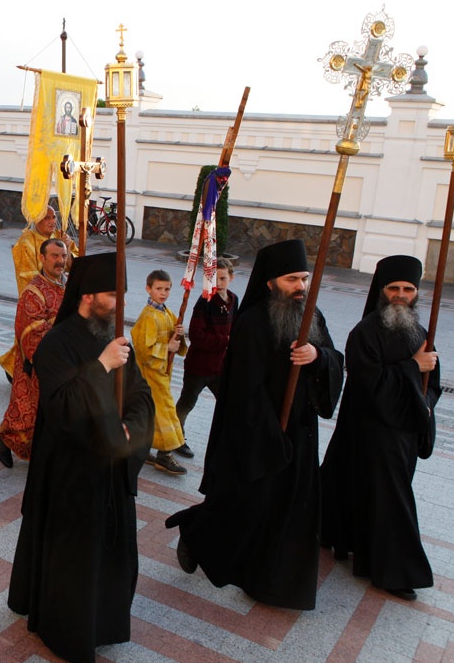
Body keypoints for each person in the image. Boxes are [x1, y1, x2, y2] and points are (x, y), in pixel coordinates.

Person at [166, 239, 344, 610]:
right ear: (270, 282)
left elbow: (334, 357)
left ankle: (275, 583)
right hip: (259, 430)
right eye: (292, 279)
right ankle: (197, 532)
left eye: (304, 278)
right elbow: (245, 390)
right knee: (247, 504)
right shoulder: (252, 322)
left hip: (301, 429)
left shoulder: (311, 315)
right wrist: (270, 436)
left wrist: (317, 355)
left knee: (291, 508)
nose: (300, 286)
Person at [7, 251, 154, 663]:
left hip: (112, 468)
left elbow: (141, 394)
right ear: (88, 296)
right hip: (71, 474)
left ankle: (106, 623)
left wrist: (131, 430)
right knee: (74, 561)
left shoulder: (116, 336)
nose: (121, 303)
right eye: (114, 294)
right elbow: (62, 407)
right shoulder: (57, 343)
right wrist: (101, 366)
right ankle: (67, 632)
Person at [320, 255, 440, 601]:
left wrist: (426, 403)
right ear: (381, 291)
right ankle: (392, 571)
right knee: (391, 501)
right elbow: (370, 386)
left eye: (408, 289)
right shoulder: (364, 333)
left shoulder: (421, 332)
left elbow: (433, 384)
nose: (401, 295)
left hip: (405, 433)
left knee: (378, 496)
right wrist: (412, 367)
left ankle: (351, 541)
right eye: (394, 288)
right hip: (372, 431)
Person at [0, 238, 69, 466]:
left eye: (63, 256)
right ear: (42, 258)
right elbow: (31, 332)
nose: (60, 261)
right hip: (38, 365)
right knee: (27, 417)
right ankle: (4, 438)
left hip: (65, 363)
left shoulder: (69, 286)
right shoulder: (33, 292)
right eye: (54, 256)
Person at [0, 207, 75, 379]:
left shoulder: (60, 236)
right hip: (39, 299)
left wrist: (68, 248)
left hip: (60, 294)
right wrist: (51, 290)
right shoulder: (27, 241)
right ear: (37, 219)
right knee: (32, 335)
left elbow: (72, 268)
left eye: (54, 217)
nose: (52, 221)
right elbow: (28, 276)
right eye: (47, 218)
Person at [175, 257, 238, 456]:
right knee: (187, 403)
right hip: (199, 366)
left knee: (228, 403)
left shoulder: (234, 300)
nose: (218, 283)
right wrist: (225, 340)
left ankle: (226, 439)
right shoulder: (205, 301)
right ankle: (175, 438)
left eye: (223, 278)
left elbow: (236, 327)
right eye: (214, 279)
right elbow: (196, 336)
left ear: (231, 278)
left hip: (220, 367)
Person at [131, 269, 189, 475]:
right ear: (148, 289)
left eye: (167, 289)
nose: (163, 293)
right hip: (151, 374)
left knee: (151, 413)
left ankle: (143, 447)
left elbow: (174, 336)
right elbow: (143, 350)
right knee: (165, 412)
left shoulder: (166, 312)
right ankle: (165, 454)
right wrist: (167, 348)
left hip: (162, 371)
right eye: (159, 289)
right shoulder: (148, 316)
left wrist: (179, 333)